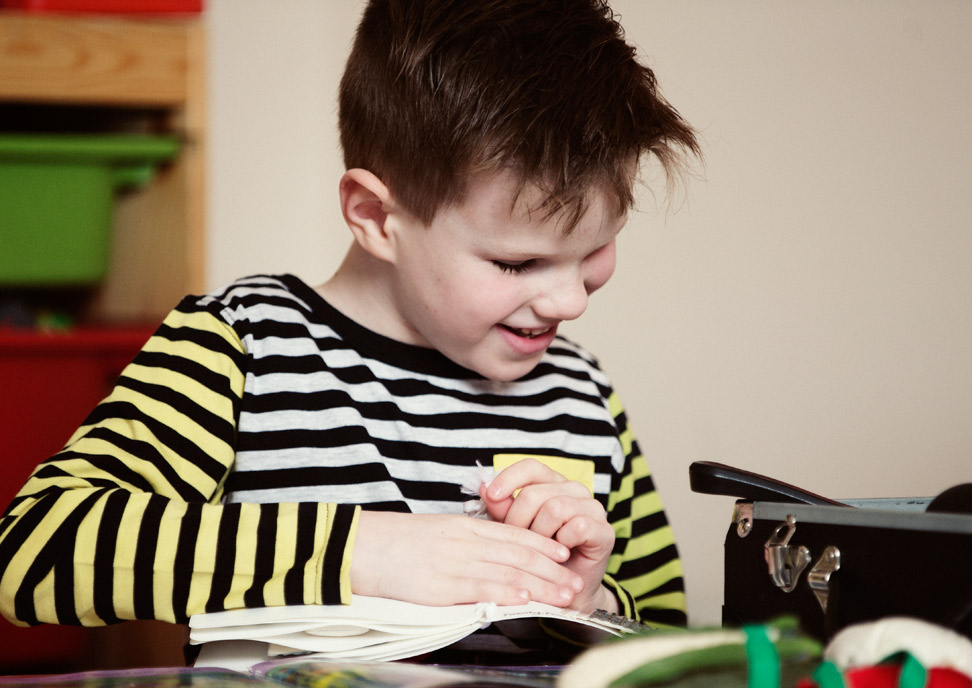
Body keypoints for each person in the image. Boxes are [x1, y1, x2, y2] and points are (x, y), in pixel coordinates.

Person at [0, 0, 699, 635]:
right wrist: (365, 551)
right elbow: (33, 550)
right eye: (517, 265)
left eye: (596, 248)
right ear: (375, 216)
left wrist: (595, 598)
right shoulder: (242, 347)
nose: (571, 301)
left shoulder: (583, 396)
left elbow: (668, 632)